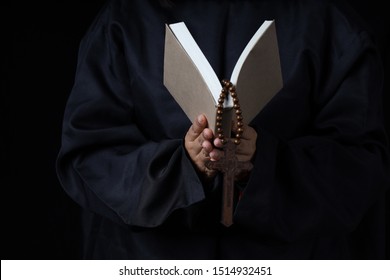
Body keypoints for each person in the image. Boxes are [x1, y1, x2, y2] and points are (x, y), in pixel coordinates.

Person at [56, 0, 390, 259]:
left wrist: (261, 161)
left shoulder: (328, 22)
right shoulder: (124, 19)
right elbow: (87, 156)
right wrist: (183, 166)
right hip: (148, 261)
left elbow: (360, 166)